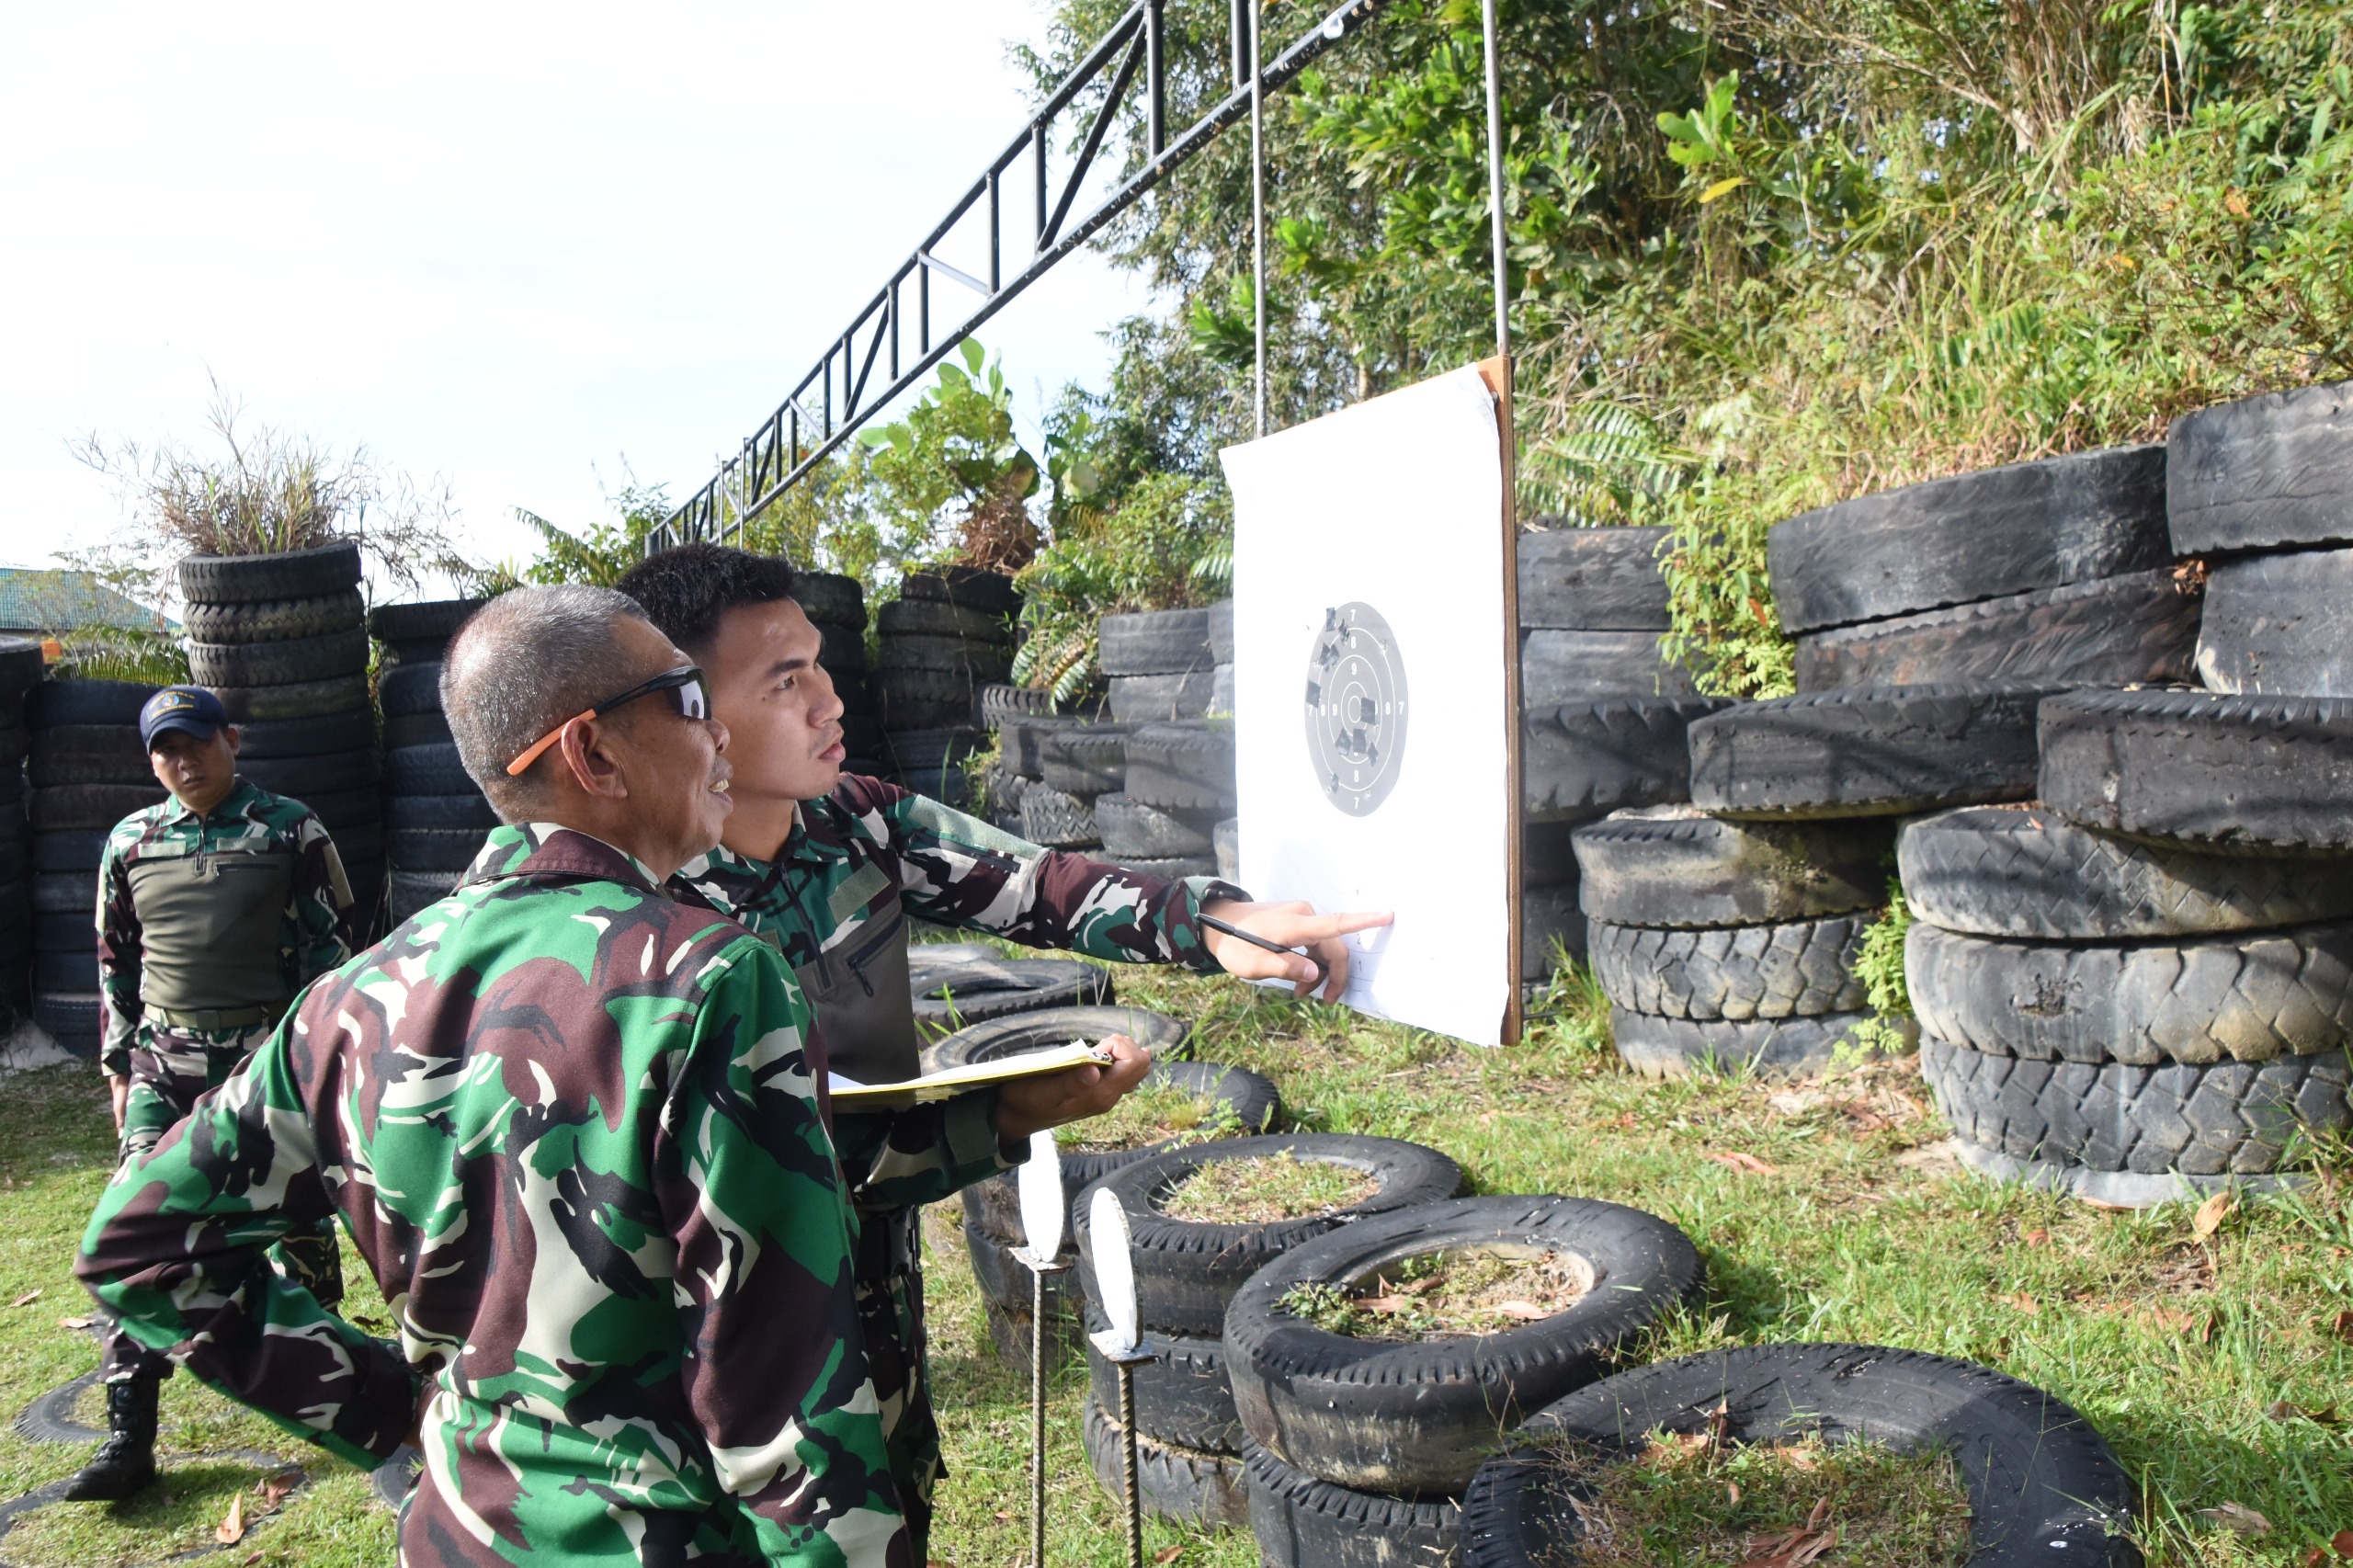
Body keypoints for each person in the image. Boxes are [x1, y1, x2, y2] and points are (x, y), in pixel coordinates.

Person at [76, 584, 1152, 1566]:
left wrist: (394, 1408)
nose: (717, 733)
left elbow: (141, 1245)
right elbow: (780, 1398)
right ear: (591, 751)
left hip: (462, 1532)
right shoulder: (707, 976)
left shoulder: (351, 998)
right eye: (687, 697)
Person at [616, 544, 1387, 1554]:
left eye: (819, 664)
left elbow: (1041, 883)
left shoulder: (854, 827)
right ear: (693, 715)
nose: (828, 701)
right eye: (785, 679)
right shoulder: (638, 915)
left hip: (871, 1319)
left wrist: (1213, 923)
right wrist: (1005, 1117)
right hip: (714, 1364)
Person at [68, 685, 354, 1502]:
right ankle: (129, 1435)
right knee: (135, 1222)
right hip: (164, 1059)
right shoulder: (129, 840)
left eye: (195, 742)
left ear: (233, 739)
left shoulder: (289, 829)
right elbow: (113, 962)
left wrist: (315, 1061)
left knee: (301, 1216)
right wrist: (119, 1066)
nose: (181, 761)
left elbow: (328, 956)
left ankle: (326, 1366)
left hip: (264, 1053)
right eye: (164, 749)